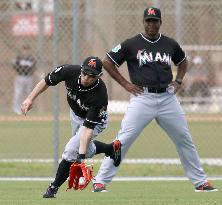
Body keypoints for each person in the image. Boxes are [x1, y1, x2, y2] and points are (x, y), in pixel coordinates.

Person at [92, 7, 218, 193]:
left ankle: (200, 181)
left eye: (155, 20)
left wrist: (179, 81)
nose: (151, 24)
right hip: (142, 97)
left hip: (167, 98)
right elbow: (108, 61)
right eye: (148, 20)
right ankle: (101, 181)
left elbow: (183, 61)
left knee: (184, 139)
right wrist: (126, 84)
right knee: (124, 139)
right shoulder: (132, 43)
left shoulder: (169, 44)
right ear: (144, 22)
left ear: (160, 22)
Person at [21, 56, 121, 198]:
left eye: (91, 75)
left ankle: (52, 188)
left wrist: (80, 159)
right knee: (83, 148)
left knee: (71, 151)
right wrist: (29, 99)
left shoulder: (100, 95)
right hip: (75, 114)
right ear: (81, 69)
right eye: (85, 73)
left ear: (99, 76)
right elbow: (46, 81)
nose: (86, 77)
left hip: (96, 121)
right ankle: (111, 148)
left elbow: (87, 129)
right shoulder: (69, 71)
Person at [12, 44, 37, 114]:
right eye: (24, 49)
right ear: (22, 50)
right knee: (18, 93)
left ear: (29, 50)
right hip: (20, 76)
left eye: (26, 49)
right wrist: (15, 77)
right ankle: (16, 108)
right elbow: (15, 68)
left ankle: (26, 108)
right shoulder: (18, 58)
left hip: (29, 77)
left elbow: (34, 69)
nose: (25, 51)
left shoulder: (31, 59)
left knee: (29, 93)